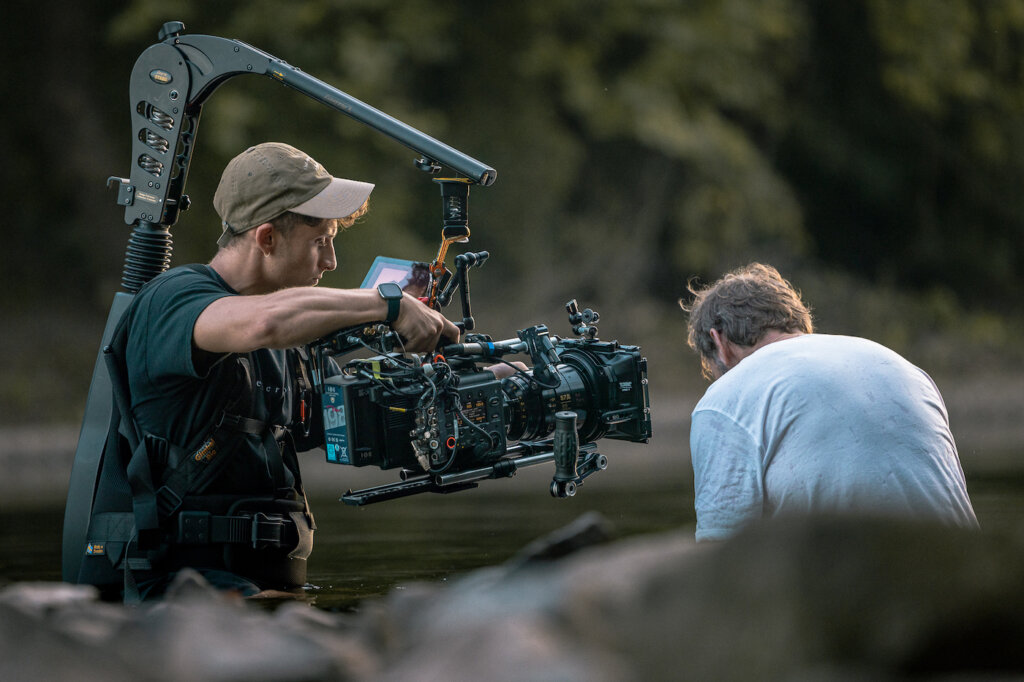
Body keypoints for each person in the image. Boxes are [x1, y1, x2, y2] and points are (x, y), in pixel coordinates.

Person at [108, 142, 461, 598]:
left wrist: (494, 378)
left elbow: (370, 409)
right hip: (182, 593)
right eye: (320, 242)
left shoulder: (286, 342)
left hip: (266, 589)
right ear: (267, 238)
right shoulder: (174, 300)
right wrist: (387, 303)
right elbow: (264, 321)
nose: (331, 261)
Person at [681, 263, 978, 542]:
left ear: (718, 343)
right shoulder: (901, 366)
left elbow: (720, 551)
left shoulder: (725, 398)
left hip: (857, 585)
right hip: (967, 571)